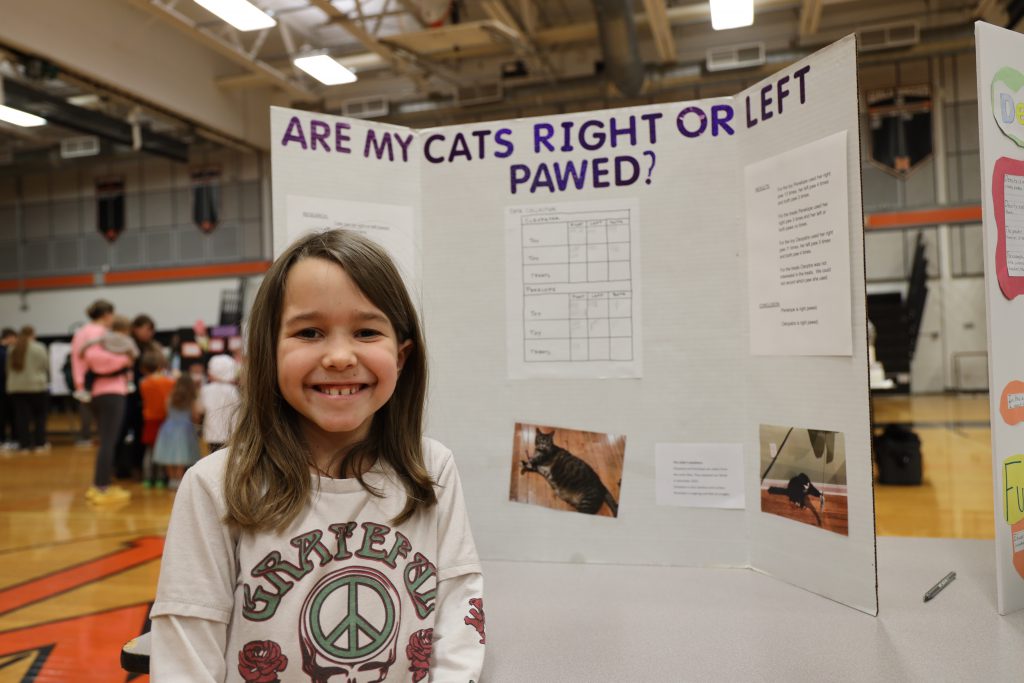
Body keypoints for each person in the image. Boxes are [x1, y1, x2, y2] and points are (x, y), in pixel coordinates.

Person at [151, 230, 484, 681]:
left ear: (402, 357)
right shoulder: (215, 485)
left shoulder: (432, 468)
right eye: (310, 332)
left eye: (366, 332)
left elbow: (459, 619)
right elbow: (185, 658)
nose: (340, 356)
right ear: (270, 351)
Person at [77, 301, 135, 505]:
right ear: (106, 314)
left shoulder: (84, 333)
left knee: (106, 440)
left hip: (96, 391)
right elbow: (95, 358)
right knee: (108, 441)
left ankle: (102, 483)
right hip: (111, 391)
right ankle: (101, 487)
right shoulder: (98, 333)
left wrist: (80, 385)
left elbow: (82, 358)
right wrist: (124, 361)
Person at [5, 326, 50, 453]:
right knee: (39, 417)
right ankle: (40, 443)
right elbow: (45, 366)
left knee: (21, 417)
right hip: (37, 386)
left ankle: (24, 444)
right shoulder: (39, 347)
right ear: (32, 334)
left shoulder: (12, 348)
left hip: (16, 387)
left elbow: (8, 369)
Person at [138, 350, 175, 489]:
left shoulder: (143, 383)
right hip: (166, 419)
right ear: (161, 365)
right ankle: (160, 478)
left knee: (150, 451)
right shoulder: (170, 381)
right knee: (163, 451)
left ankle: (147, 478)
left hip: (150, 420)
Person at [195, 353, 240, 454]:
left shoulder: (206, 390)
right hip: (231, 435)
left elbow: (200, 410)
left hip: (212, 435)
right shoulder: (235, 391)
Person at [0, 327, 17, 450]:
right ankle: (3, 440)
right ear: (10, 337)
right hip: (3, 388)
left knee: (9, 415)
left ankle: (9, 439)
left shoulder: (8, 351)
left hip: (7, 388)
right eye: (15, 338)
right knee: (3, 415)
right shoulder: (4, 352)